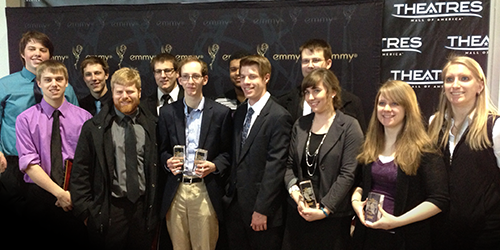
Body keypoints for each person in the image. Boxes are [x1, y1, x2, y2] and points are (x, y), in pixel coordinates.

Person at [351, 80, 449, 250]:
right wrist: (356, 203)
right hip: (368, 235)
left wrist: (397, 222)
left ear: (407, 108)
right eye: (382, 103)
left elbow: (438, 200)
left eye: (394, 103)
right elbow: (361, 185)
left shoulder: (424, 150)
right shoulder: (370, 145)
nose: (386, 109)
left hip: (404, 238)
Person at [71, 67, 160, 249]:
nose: (125, 96)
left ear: (139, 92)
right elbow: (81, 172)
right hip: (110, 209)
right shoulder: (94, 128)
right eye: (119, 91)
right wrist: (88, 212)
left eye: (130, 91)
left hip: (144, 209)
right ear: (112, 92)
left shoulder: (154, 126)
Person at [0, 30, 79, 236]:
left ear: (49, 55)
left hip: (54, 168)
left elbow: (76, 124)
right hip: (12, 163)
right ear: (22, 54)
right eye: (32, 48)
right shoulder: (5, 85)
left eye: (43, 50)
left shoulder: (65, 89)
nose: (37, 53)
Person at [283, 68, 363, 249]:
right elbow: (289, 167)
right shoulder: (300, 124)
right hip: (299, 213)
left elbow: (348, 173)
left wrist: (325, 209)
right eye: (307, 92)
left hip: (333, 217)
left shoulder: (349, 126)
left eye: (316, 90)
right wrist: (297, 197)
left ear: (333, 92)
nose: (311, 97)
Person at [15, 60, 92, 247]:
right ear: (39, 83)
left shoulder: (85, 118)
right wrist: (59, 193)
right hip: (39, 196)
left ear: (67, 82)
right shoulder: (25, 120)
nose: (54, 84)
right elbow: (29, 164)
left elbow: (89, 163)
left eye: (59, 79)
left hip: (75, 196)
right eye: (47, 79)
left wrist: (72, 195)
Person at [159, 56, 232, 250]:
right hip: (176, 190)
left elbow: (228, 153)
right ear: (179, 79)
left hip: (204, 190)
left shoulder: (220, 113)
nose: (190, 81)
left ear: (204, 79)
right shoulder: (167, 113)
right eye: (186, 77)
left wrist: (215, 165)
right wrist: (168, 161)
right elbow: (162, 151)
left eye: (195, 76)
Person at [428, 56, 500, 249]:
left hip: (485, 235)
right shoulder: (434, 124)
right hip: (440, 233)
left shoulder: (495, 127)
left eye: (464, 78)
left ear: (480, 85)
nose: (455, 85)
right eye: (449, 79)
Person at [224, 55, 293, 250]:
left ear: (266, 78)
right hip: (234, 208)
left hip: (262, 212)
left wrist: (262, 210)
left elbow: (275, 167)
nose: (245, 82)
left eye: (252, 77)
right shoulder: (240, 112)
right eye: (242, 76)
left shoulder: (279, 116)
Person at [278, 39, 366, 131]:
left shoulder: (351, 103)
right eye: (305, 61)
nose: (310, 65)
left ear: (328, 63)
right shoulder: (284, 103)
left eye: (316, 60)